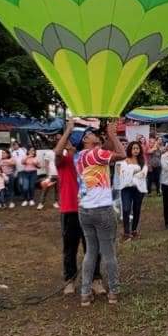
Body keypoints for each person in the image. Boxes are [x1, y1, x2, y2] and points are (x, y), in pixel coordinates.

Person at [75, 121, 126, 305]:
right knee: (108, 253)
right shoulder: (96, 154)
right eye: (90, 133)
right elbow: (122, 154)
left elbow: (106, 149)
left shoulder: (80, 155)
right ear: (85, 139)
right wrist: (113, 134)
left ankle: (85, 293)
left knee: (90, 252)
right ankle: (113, 291)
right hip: (102, 210)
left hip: (84, 210)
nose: (94, 134)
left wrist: (107, 136)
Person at [54, 121, 103, 296]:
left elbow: (111, 149)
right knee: (70, 247)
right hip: (70, 210)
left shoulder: (92, 160)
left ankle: (96, 279)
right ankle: (69, 279)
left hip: (90, 208)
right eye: (89, 135)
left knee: (93, 246)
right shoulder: (65, 161)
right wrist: (68, 130)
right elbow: (57, 152)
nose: (94, 138)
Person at [118, 141, 148, 240]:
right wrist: (134, 171)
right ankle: (126, 233)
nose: (136, 150)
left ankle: (134, 230)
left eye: (137, 148)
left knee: (136, 209)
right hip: (126, 189)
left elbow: (143, 174)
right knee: (126, 209)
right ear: (130, 149)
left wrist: (131, 173)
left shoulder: (142, 161)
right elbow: (121, 175)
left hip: (139, 189)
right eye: (134, 148)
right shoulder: (124, 161)